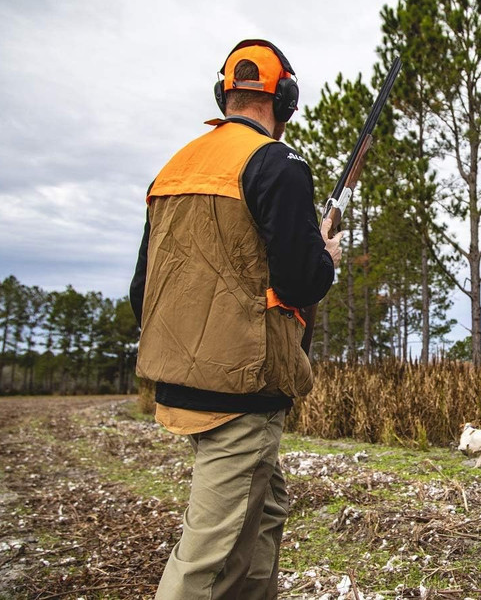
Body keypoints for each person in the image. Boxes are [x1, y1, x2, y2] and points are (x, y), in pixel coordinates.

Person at [130, 38, 342, 599]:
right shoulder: (278, 164)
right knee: (206, 563)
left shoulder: (173, 168)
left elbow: (141, 293)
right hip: (241, 390)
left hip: (183, 384)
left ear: (225, 93)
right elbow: (302, 281)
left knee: (265, 510)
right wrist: (326, 255)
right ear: (286, 99)